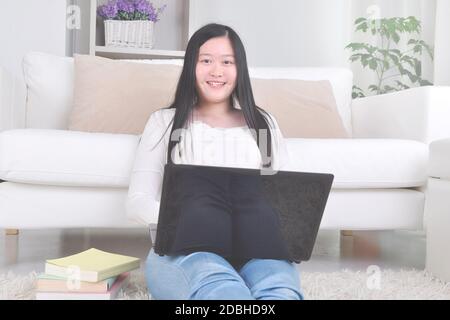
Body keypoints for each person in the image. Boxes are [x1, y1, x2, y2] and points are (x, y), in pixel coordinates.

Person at [126, 23, 304, 300]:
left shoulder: (262, 124)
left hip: (258, 251)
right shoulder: (164, 122)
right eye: (206, 60)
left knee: (280, 293)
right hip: (186, 251)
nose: (216, 71)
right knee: (225, 293)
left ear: (239, 69)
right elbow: (137, 201)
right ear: (190, 67)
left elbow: (288, 201)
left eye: (227, 62)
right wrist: (187, 221)